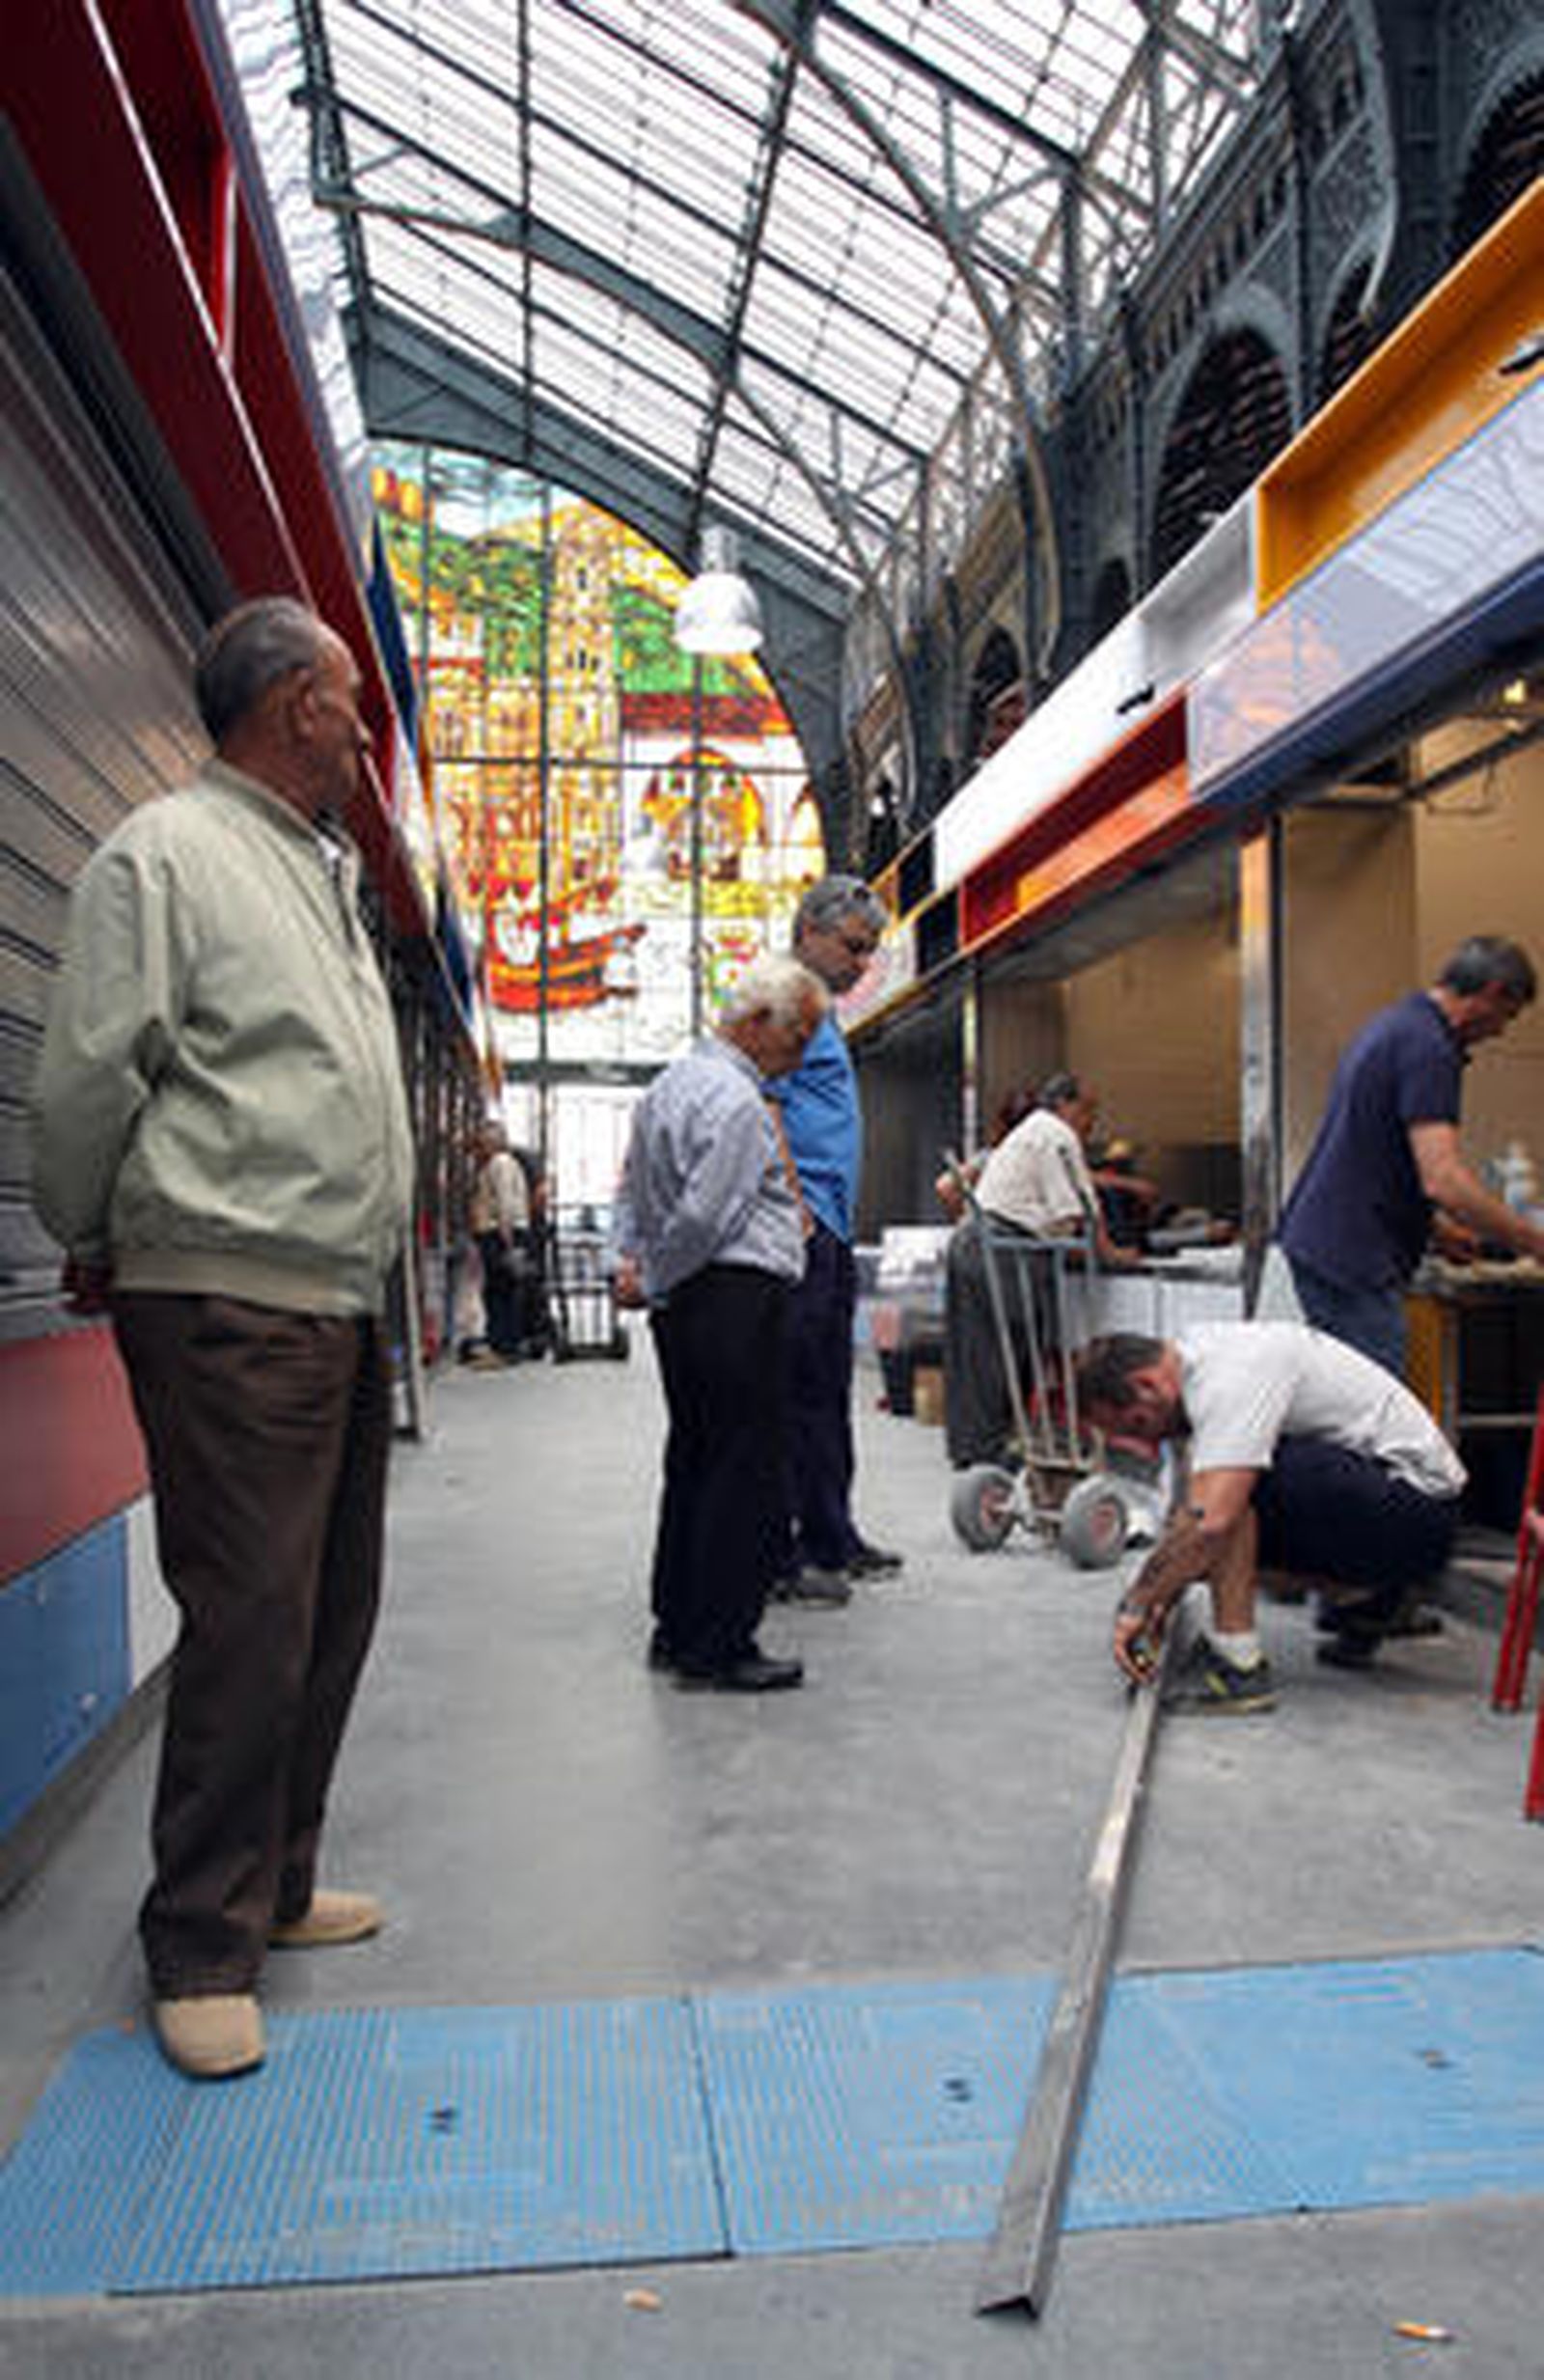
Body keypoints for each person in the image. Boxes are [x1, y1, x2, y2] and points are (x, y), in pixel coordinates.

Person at [31, 596, 415, 2082]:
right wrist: (87, 1226)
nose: (364, 723)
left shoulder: (311, 866)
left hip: (332, 1289)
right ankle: (198, 1939)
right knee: (252, 1615)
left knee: (330, 1607)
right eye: (347, 696)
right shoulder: (167, 855)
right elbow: (86, 1076)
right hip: (229, 1291)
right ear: (290, 706)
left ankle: (281, 1881)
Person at [613, 954, 830, 1691]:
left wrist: (645, 1270)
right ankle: (721, 1643)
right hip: (732, 1296)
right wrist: (663, 1274)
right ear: (759, 1022)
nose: (799, 1057)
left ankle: (678, 1625)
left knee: (697, 1459)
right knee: (746, 1471)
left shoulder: (667, 1087)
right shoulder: (737, 1101)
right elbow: (707, 1212)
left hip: (691, 1304)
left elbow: (639, 1194)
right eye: (798, 1038)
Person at [1075, 1323, 1466, 1714]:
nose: (1150, 1442)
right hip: (1396, 1500)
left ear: (1147, 1384)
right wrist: (1164, 1591)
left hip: (1419, 1512)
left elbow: (1209, 1522)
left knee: (1229, 1502)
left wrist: (1139, 1603)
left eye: (1138, 1424)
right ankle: (1375, 1599)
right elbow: (1184, 1521)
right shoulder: (1197, 1361)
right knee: (1202, 1522)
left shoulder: (1230, 1377)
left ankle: (1238, 1668)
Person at [1273, 936, 1542, 1376]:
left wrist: (1435, 1229)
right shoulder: (1430, 1047)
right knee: (1376, 1415)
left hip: (1324, 1248)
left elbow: (1370, 1151)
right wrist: (1532, 1242)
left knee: (1348, 1404)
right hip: (1354, 1262)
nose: (1499, 1032)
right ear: (1491, 992)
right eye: (1506, 1016)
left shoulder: (1396, 1025)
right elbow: (1444, 1180)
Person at [766, 874, 900, 1605]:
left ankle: (830, 1533)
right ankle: (786, 1547)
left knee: (825, 1393)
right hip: (804, 1228)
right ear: (810, 931)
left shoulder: (816, 1006)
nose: (860, 964)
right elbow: (758, 1096)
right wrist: (791, 1201)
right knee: (795, 1397)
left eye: (870, 951)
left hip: (830, 1229)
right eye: (853, 947)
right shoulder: (786, 993)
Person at [944, 1070, 1140, 1471]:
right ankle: (992, 1453)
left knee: (977, 1355)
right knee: (1006, 1353)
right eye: (1088, 1110)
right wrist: (1111, 1255)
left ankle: (975, 1452)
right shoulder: (1056, 1134)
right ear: (1066, 1105)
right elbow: (1078, 1210)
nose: (1091, 1121)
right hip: (1002, 1250)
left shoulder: (1034, 1129)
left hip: (976, 1242)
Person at [467, 1120, 530, 1364]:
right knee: (500, 1290)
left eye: (482, 1140)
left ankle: (503, 1348)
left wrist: (506, 1239)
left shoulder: (500, 1163)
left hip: (500, 1234)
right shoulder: (501, 1163)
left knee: (499, 1292)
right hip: (503, 1233)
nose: (479, 1146)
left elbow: (505, 1201)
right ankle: (502, 1345)